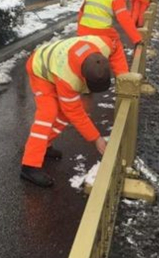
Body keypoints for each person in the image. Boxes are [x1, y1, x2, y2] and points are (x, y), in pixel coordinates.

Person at [20, 35, 124, 187]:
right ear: (82, 77)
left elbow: (116, 44)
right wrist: (96, 138)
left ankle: (45, 145)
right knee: (48, 113)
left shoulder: (103, 44)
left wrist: (123, 77)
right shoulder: (68, 77)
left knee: (62, 115)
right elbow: (75, 112)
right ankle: (29, 165)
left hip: (54, 63)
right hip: (39, 68)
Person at [76, 0, 142, 75]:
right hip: (103, 33)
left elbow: (81, 12)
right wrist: (137, 39)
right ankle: (124, 78)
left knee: (83, 53)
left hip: (83, 31)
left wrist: (79, 31)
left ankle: (80, 78)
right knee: (116, 50)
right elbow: (125, 20)